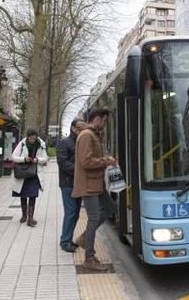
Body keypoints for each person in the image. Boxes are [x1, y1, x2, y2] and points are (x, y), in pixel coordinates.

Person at [72, 108, 117, 271]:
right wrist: (105, 161)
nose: (105, 124)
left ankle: (85, 238)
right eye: (104, 121)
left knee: (111, 207)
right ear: (97, 119)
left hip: (96, 183)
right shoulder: (86, 136)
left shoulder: (92, 134)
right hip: (88, 185)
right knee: (93, 218)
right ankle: (88, 258)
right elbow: (86, 162)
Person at [11, 129, 48, 227]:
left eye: (34, 138)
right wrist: (24, 159)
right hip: (23, 173)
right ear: (27, 137)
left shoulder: (41, 145)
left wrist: (37, 159)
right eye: (31, 138)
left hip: (34, 173)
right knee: (23, 194)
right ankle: (24, 215)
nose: (32, 140)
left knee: (32, 195)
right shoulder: (22, 144)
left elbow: (45, 159)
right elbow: (13, 157)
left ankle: (30, 218)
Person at [57, 118, 82, 252]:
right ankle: (65, 241)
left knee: (76, 212)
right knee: (71, 211)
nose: (81, 130)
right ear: (73, 128)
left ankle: (68, 239)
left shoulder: (80, 141)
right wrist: (79, 170)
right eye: (79, 127)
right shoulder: (64, 143)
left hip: (78, 183)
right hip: (67, 183)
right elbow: (62, 162)